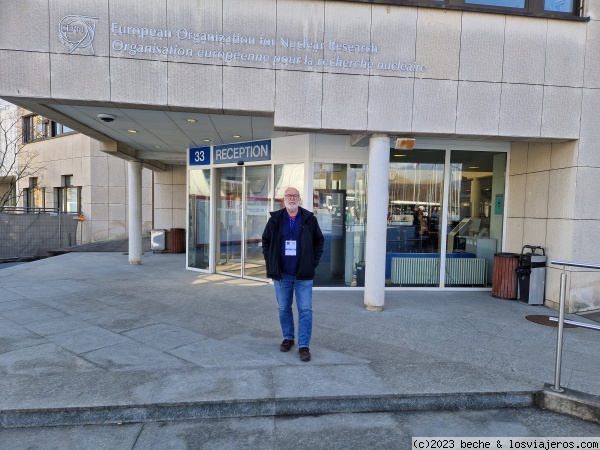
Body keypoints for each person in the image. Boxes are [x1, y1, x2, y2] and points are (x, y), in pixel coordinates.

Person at [262, 187, 324, 362]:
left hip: (303, 275)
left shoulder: (309, 219)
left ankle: (304, 346)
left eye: (295, 196)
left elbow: (319, 241)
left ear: (299, 199)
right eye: (289, 195)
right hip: (282, 274)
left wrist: (313, 262)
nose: (292, 198)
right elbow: (265, 240)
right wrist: (270, 260)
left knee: (305, 309)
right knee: (283, 308)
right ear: (284, 199)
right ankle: (288, 338)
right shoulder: (275, 219)